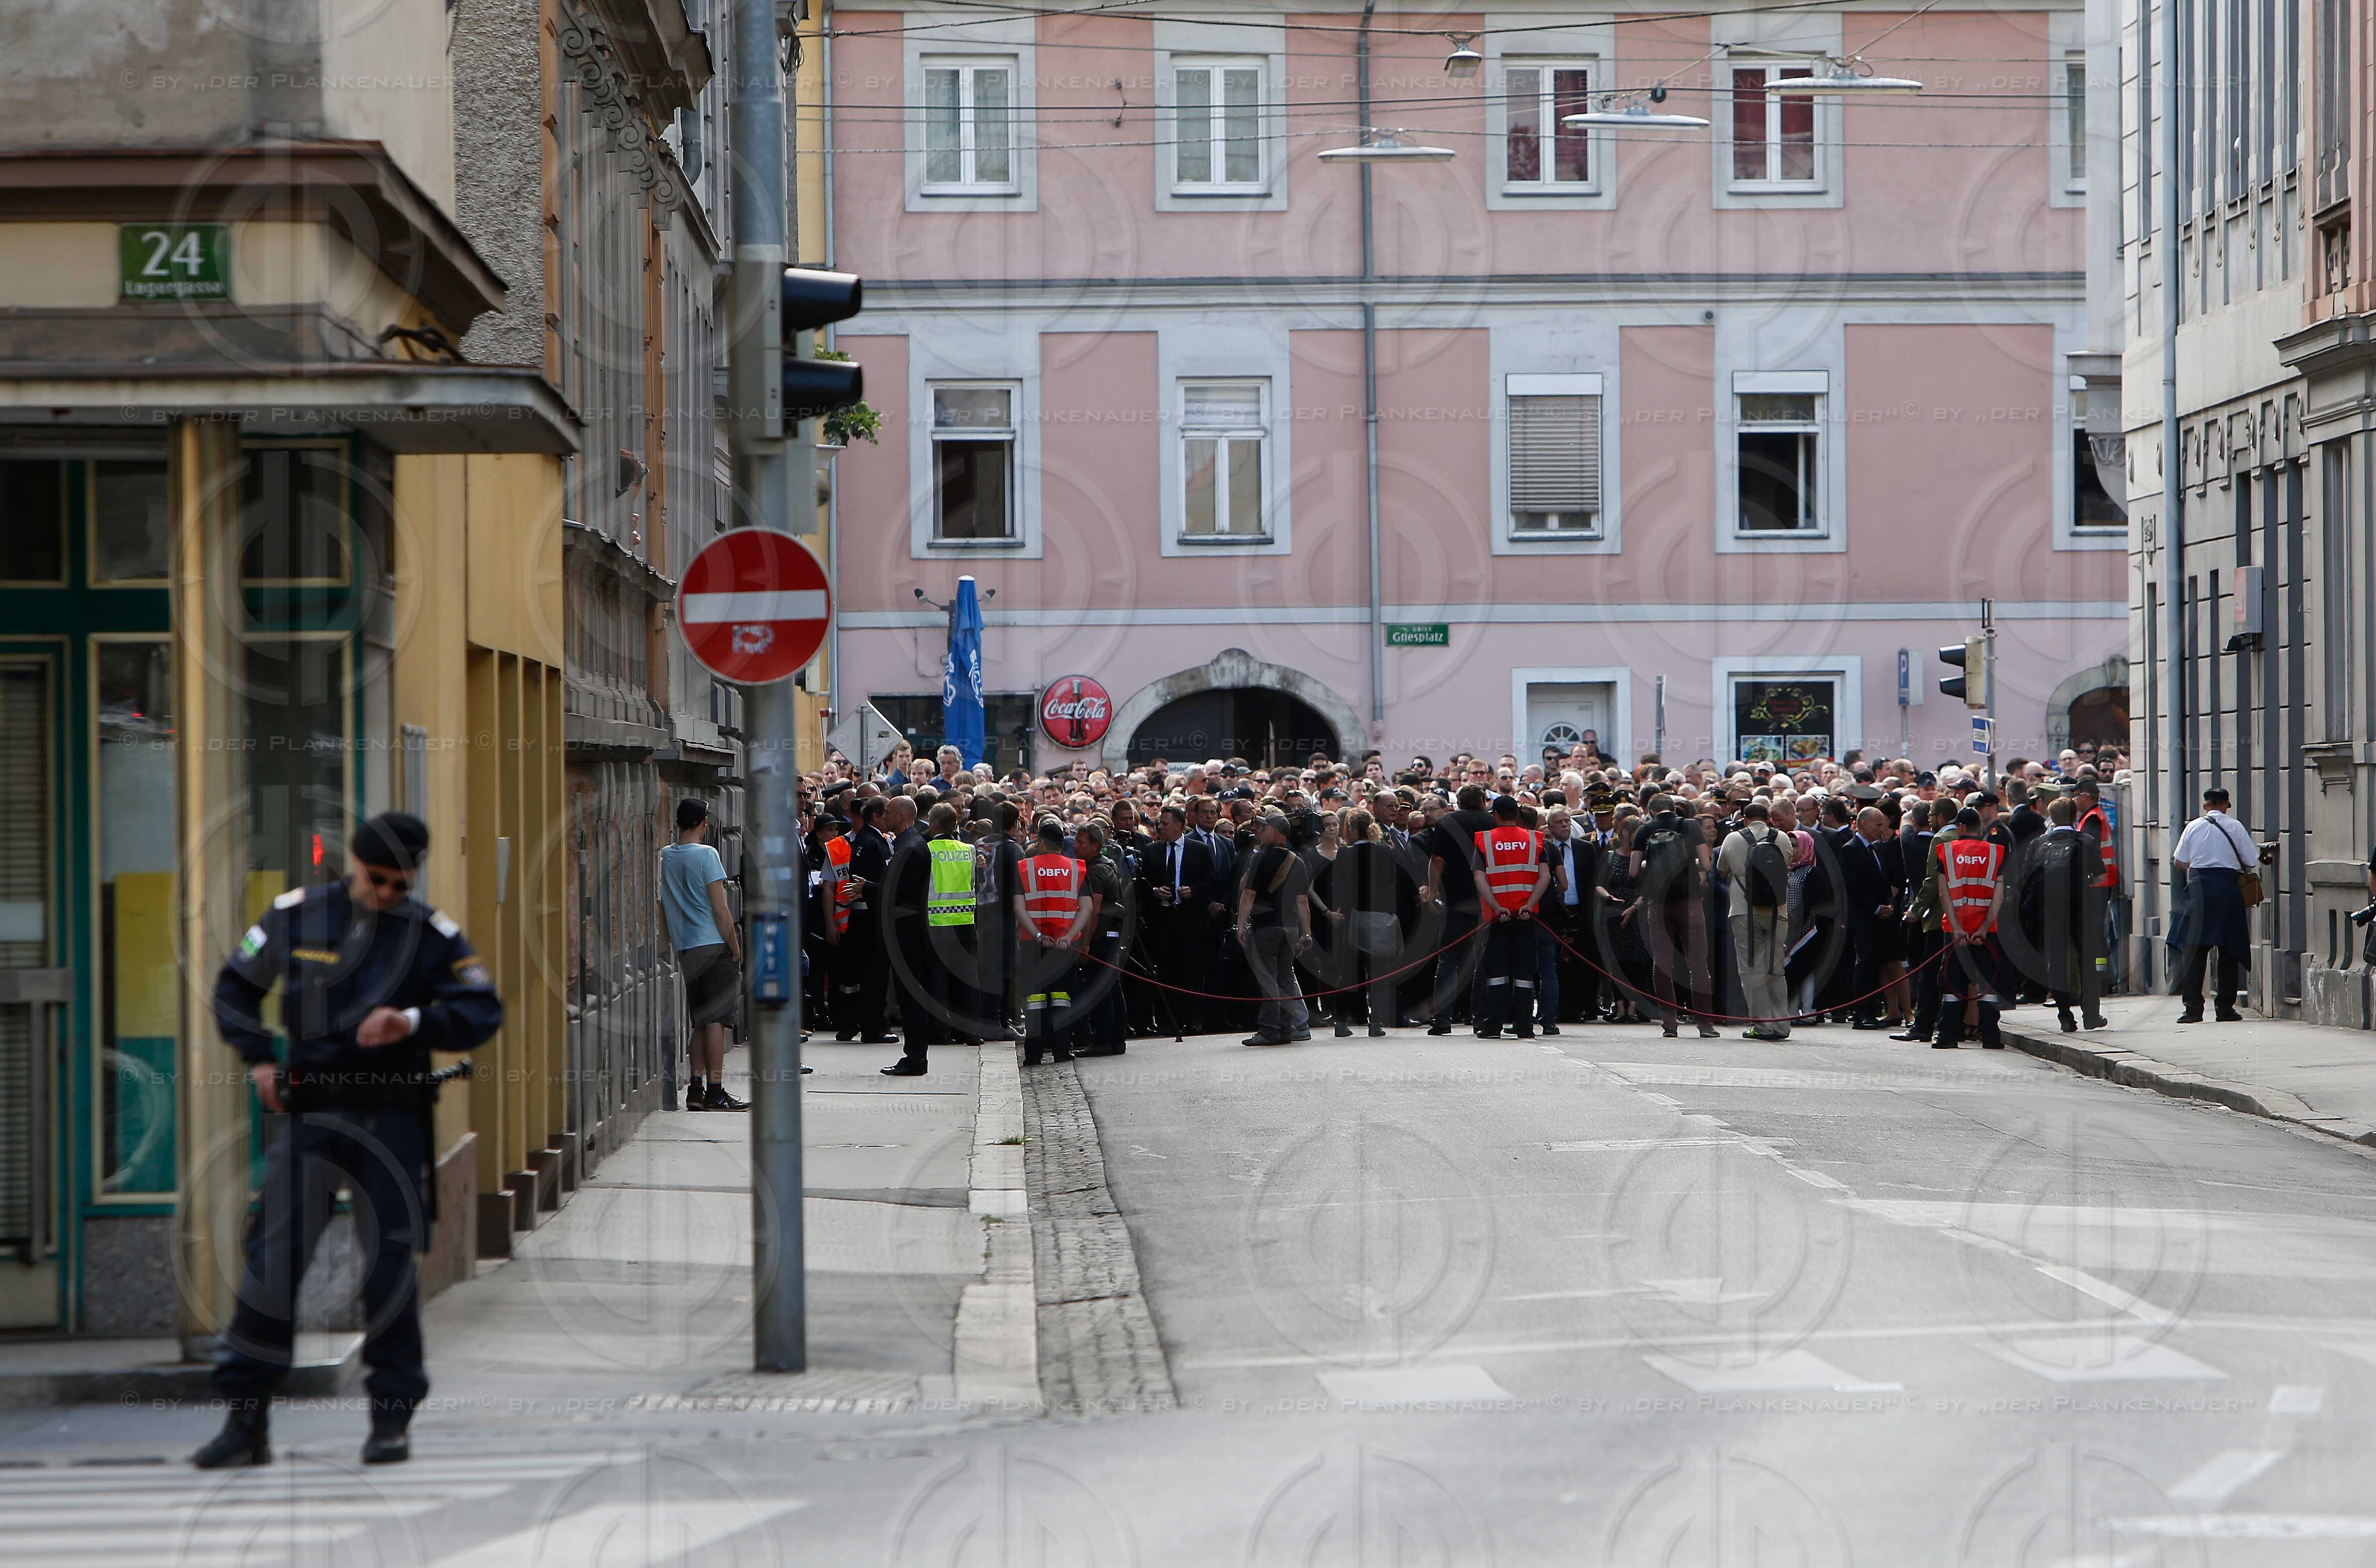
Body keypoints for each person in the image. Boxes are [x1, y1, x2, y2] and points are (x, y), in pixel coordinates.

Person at [195, 811, 503, 1469]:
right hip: (314, 1114)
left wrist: (415, 1020)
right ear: (353, 867)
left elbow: (484, 1008)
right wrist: (259, 1059)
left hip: (392, 1118)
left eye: (401, 883)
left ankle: (390, 1423)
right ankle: (245, 1419)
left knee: (388, 1273)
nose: (389, 892)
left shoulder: (428, 934)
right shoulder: (298, 916)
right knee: (273, 1262)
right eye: (378, 879)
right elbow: (234, 989)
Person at [658, 798, 747, 1111]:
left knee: (700, 1019)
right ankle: (715, 1090)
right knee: (717, 1021)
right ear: (704, 823)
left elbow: (662, 904)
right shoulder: (708, 854)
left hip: (685, 946)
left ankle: (694, 1090)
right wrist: (735, 947)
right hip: (712, 942)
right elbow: (721, 909)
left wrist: (663, 944)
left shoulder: (666, 856)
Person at [2170, 787, 2265, 1023]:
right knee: (2229, 951)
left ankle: (2192, 1010)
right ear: (2226, 804)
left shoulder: (2192, 826)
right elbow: (2252, 861)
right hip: (2227, 891)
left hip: (2199, 890)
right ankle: (2225, 1009)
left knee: (2194, 951)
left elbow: (2179, 861)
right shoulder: (2235, 826)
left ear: (2205, 806)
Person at [1631, 794, 1718, 1039]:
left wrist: (1654, 867)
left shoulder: (1644, 830)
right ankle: (1705, 1024)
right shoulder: (1690, 826)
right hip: (1689, 901)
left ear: (1650, 811)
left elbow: (1634, 870)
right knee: (1698, 964)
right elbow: (1707, 864)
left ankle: (1670, 1023)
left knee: (1662, 964)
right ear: (1674, 809)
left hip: (1657, 903)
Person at [2021, 798, 2109, 1031]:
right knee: (2086, 962)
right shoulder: (2086, 841)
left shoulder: (2038, 844)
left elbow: (2026, 879)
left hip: (2049, 910)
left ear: (2051, 817)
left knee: (2056, 964)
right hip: (2081, 908)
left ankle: (2065, 1018)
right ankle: (2091, 1015)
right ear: (2074, 817)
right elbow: (2100, 877)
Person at [1470, 795, 1549, 1038]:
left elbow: (1479, 878)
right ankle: (1525, 1027)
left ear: (1495, 814)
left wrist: (1496, 907)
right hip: (1526, 917)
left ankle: (1494, 1024)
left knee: (1497, 974)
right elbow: (1545, 877)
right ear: (1516, 814)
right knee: (1524, 974)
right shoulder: (1534, 840)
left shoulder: (1485, 841)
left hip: (1496, 918)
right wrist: (1529, 905)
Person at [1016, 817, 1091, 1064]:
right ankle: (1061, 1050)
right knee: (1061, 997)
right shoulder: (1077, 868)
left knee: (1035, 999)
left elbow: (1019, 908)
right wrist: (1069, 937)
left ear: (1040, 842)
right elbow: (1086, 908)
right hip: (1064, 945)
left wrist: (1038, 935)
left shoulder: (1025, 868)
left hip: (1032, 943)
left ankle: (1034, 1054)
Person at [1717, 800, 1794, 1040]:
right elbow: (1788, 864)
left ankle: (1761, 1025)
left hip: (1743, 910)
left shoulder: (1733, 839)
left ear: (1745, 819)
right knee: (1775, 969)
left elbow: (1721, 870)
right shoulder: (1782, 838)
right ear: (1768, 818)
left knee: (1751, 970)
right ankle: (1781, 1024)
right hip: (1777, 910)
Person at [1932, 807, 2007, 1049]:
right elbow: (1999, 894)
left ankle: (1947, 1037)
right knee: (1988, 986)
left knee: (1952, 986)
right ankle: (1991, 1038)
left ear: (1961, 828)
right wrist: (1985, 926)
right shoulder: (1996, 853)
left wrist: (1956, 928)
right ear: (1979, 828)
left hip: (1956, 933)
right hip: (1986, 933)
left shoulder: (1946, 852)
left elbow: (1944, 894)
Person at [1423, 786, 1494, 1035]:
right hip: (1487, 899)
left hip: (1455, 900)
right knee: (1482, 960)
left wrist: (1432, 891)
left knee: (1448, 959)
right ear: (1483, 800)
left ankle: (1442, 1019)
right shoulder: (1492, 821)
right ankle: (1481, 1018)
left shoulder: (1448, 821)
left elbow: (1438, 860)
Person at [1238, 813, 1312, 1046]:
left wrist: (1240, 925)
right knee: (1286, 978)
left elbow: (1249, 895)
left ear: (1277, 832)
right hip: (1290, 927)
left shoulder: (1259, 859)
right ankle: (1285, 1028)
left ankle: (1270, 1030)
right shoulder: (1296, 860)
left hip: (1266, 927)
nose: (1260, 831)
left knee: (1269, 979)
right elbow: (1303, 901)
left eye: (1265, 828)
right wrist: (1306, 932)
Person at [1538, 805, 1601, 1033]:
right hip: (1555, 912)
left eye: (1567, 821)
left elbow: (1593, 880)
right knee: (1555, 962)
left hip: (1580, 910)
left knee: (1583, 960)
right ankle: (1556, 1008)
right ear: (1550, 827)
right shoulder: (1543, 849)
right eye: (1559, 822)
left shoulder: (1585, 848)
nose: (1565, 825)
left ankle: (1582, 1006)